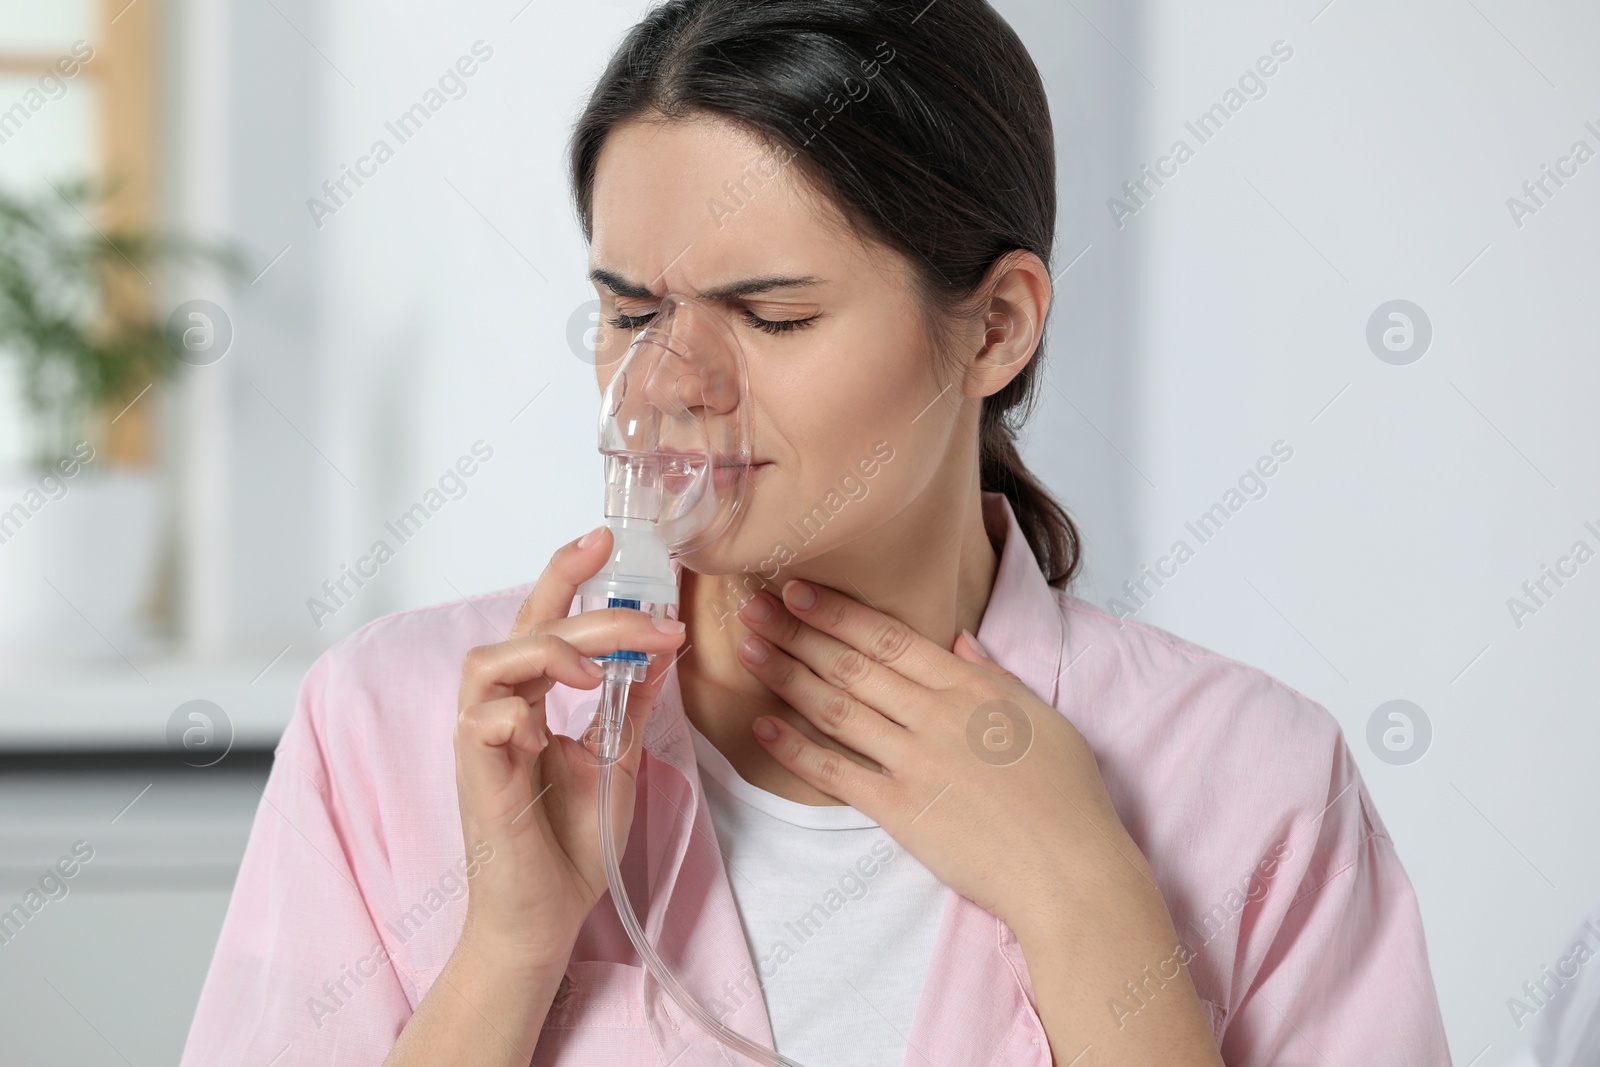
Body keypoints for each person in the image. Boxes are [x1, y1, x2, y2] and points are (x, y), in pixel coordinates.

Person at [180, 1, 1452, 1064]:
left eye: (773, 316)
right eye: (627, 313)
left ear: (997, 327)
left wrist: (1090, 907)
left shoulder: (1251, 782)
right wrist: (508, 951)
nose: (668, 385)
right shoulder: (399, 726)